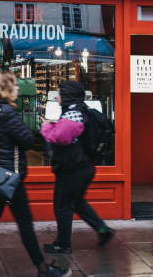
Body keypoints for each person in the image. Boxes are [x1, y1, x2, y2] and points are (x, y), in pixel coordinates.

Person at [0, 71, 70, 277]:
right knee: (24, 222)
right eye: (15, 85)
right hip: (10, 176)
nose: (18, 88)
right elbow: (27, 140)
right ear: (7, 89)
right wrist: (40, 126)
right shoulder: (8, 112)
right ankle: (43, 269)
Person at [40, 80, 114, 255]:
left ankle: (63, 244)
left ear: (67, 95)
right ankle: (104, 230)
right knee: (78, 203)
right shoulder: (80, 110)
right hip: (83, 167)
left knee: (62, 206)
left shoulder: (73, 114)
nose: (57, 96)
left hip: (73, 170)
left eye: (59, 92)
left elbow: (59, 138)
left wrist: (45, 127)